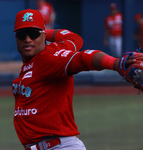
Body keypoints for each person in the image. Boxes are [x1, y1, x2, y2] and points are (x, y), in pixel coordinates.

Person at [12, 9, 135, 150]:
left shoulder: (50, 59)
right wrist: (40, 32)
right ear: (16, 38)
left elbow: (84, 58)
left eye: (33, 34)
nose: (28, 39)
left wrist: (114, 63)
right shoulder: (56, 49)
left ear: (44, 35)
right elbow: (74, 38)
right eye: (22, 35)